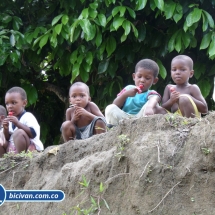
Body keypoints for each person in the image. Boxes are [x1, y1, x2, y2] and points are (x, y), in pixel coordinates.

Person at [105, 59, 166, 125]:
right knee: (110, 108)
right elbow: (115, 104)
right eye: (139, 77)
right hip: (124, 119)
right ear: (134, 77)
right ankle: (114, 128)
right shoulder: (128, 88)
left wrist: (149, 107)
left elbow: (155, 98)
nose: (142, 80)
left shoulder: (151, 93)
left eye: (147, 78)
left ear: (155, 81)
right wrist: (125, 94)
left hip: (141, 119)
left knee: (155, 105)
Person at [0, 87, 44, 157]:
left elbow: (33, 134)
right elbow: (7, 138)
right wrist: (6, 128)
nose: (9, 106)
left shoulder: (28, 116)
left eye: (14, 103)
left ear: (24, 103)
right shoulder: (10, 120)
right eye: (7, 104)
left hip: (28, 150)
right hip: (11, 150)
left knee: (19, 133)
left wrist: (17, 123)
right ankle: (3, 162)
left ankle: (21, 159)